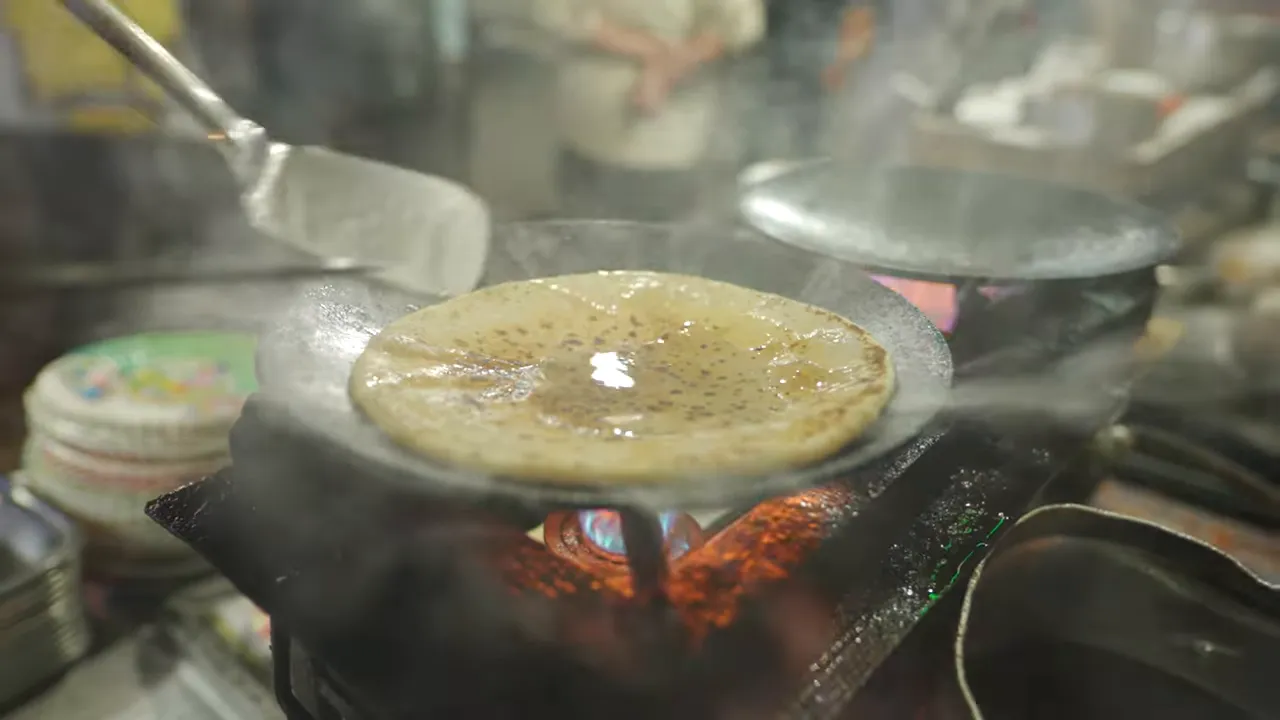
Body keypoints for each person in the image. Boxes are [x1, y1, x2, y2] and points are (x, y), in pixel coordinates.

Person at [534, 0, 765, 222]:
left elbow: (736, 22)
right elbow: (554, 11)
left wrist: (666, 66)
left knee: (651, 221)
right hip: (595, 117)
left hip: (667, 126)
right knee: (590, 217)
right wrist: (659, 55)